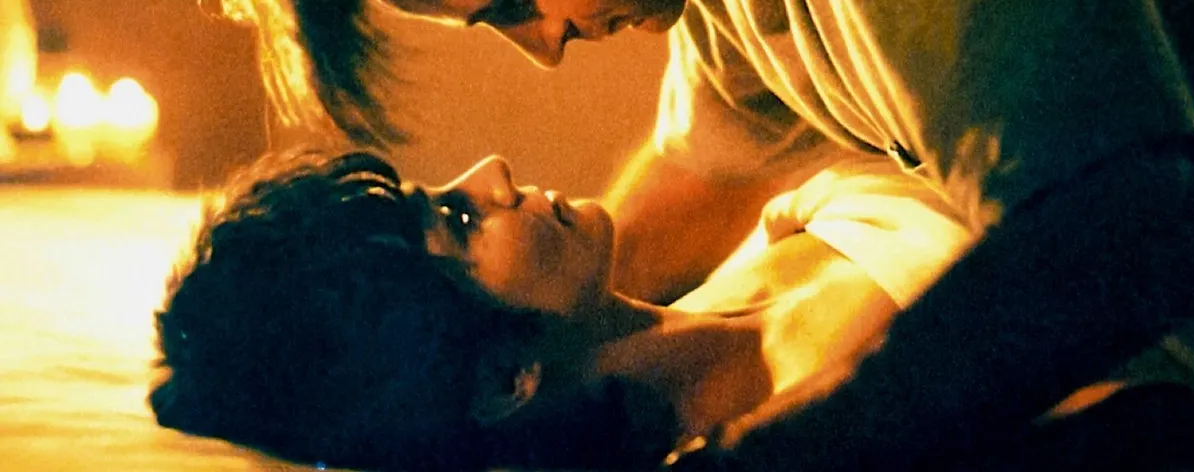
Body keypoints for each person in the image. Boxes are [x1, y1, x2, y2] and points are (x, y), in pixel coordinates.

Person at [208, 0, 1194, 467]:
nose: (543, 48)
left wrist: (780, 453)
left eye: (514, 0)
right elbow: (711, 168)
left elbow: (1121, 243)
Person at [150, 149, 982, 471]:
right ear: (503, 379)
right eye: (461, 221)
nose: (492, 171)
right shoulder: (820, 423)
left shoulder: (750, 245)